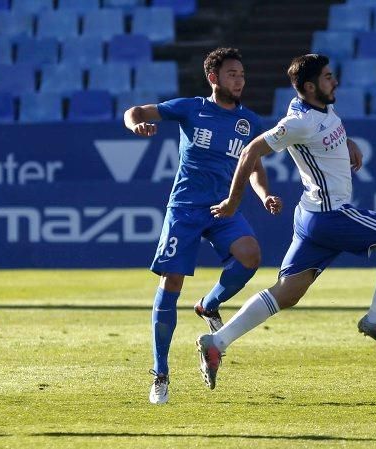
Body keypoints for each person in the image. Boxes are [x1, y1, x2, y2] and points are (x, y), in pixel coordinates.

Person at [194, 53, 376, 390]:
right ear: (311, 86)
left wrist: (348, 142)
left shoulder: (318, 106)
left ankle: (217, 342)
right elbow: (250, 152)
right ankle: (375, 319)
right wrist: (232, 200)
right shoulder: (297, 123)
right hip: (332, 214)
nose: (335, 81)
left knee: (287, 294)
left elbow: (326, 129)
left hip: (311, 217)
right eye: (329, 77)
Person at [123, 47, 283, 404]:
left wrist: (263, 195)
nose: (239, 81)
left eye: (242, 75)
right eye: (232, 74)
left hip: (222, 209)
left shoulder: (249, 123)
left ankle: (208, 306)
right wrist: (136, 123)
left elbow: (253, 164)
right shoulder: (190, 108)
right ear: (214, 78)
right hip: (184, 208)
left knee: (250, 255)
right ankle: (160, 372)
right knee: (172, 281)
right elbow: (135, 111)